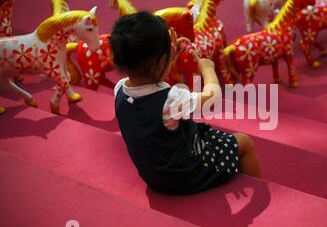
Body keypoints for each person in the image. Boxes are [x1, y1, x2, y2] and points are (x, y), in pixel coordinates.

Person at [110, 11, 261, 195]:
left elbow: (154, 73)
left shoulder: (119, 89)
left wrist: (168, 56)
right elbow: (213, 96)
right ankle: (260, 193)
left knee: (199, 130)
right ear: (161, 63)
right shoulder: (172, 100)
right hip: (184, 176)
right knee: (244, 142)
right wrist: (207, 69)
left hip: (153, 175)